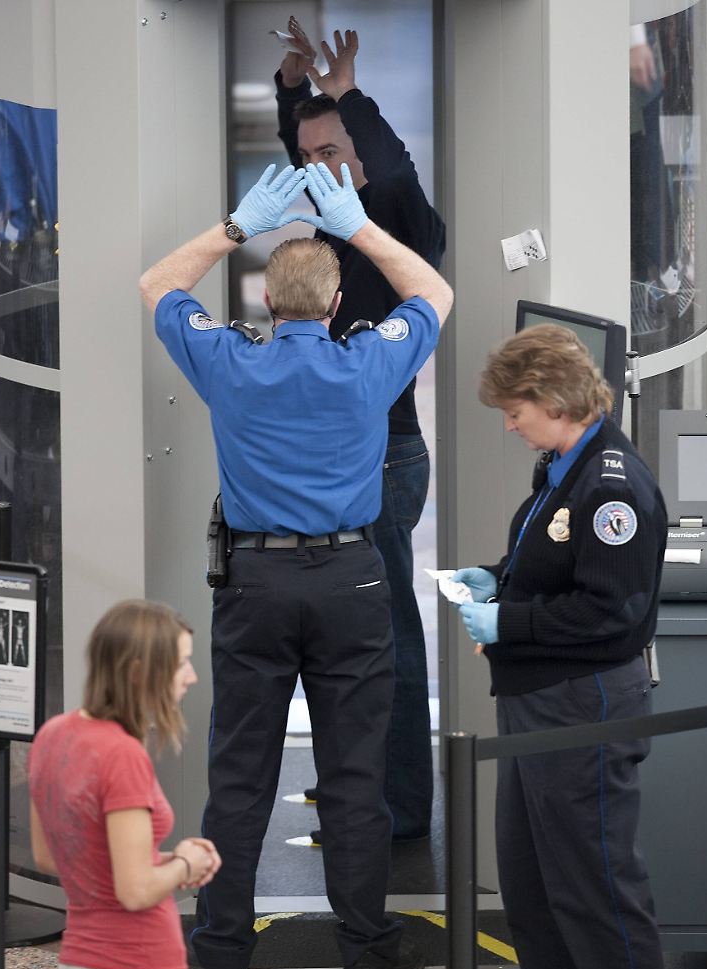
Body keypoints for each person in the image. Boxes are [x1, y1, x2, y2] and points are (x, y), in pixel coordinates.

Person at [139, 161, 452, 969]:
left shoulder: (230, 363)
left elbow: (156, 284)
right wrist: (357, 228)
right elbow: (436, 294)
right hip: (351, 582)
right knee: (355, 778)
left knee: (241, 777)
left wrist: (237, 227)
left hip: (255, 585)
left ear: (267, 305)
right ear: (339, 306)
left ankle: (221, 958)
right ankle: (367, 954)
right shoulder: (366, 366)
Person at [453, 324, 668, 969]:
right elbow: (555, 564)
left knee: (593, 891)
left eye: (515, 413)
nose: (511, 426)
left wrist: (505, 621)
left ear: (551, 399)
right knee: (532, 888)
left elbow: (609, 611)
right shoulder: (561, 466)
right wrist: (498, 576)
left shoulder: (612, 489)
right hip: (537, 700)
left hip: (584, 704)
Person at [275, 19, 446, 841]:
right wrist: (292, 89)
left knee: (387, 638)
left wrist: (347, 94)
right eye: (311, 158)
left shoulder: (394, 220)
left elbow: (388, 168)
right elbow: (311, 148)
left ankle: (404, 807)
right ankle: (362, 785)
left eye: (336, 148)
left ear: (362, 145)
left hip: (385, 462)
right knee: (346, 632)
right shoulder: (333, 218)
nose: (323, 167)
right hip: (350, 460)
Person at [29, 599, 221, 969]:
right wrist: (187, 861)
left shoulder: (53, 734)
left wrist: (165, 862)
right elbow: (134, 891)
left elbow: (51, 857)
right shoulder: (122, 754)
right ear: (138, 671)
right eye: (181, 662)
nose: (192, 677)